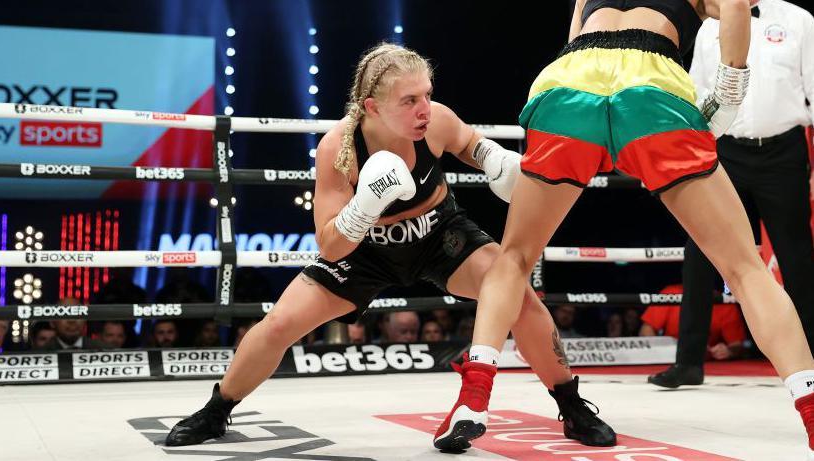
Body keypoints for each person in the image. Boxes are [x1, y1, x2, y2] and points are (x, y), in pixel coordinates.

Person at [166, 42, 614, 447]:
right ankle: (216, 412)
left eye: (427, 94)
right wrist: (364, 205)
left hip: (440, 235)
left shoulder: (436, 121)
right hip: (364, 252)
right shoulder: (338, 149)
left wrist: (494, 159)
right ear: (372, 107)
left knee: (520, 297)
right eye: (410, 100)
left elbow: (469, 143)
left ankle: (572, 407)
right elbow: (330, 245)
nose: (424, 109)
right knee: (280, 323)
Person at [436, 0, 814, 456]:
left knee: (514, 257)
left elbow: (573, 39)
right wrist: (730, 92)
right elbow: (735, 5)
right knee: (745, 270)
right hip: (650, 86)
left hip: (567, 84)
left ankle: (472, 399)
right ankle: (812, 416)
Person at [649, 0, 814, 389]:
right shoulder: (708, 25)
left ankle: (809, 362)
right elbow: (694, 96)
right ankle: (688, 361)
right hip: (725, 150)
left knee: (797, 258)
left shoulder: (798, 20)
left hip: (784, 152)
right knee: (701, 251)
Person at [640, 284, 746, 365]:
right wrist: (661, 352)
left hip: (706, 363)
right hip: (671, 360)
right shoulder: (671, 293)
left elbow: (737, 345)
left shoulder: (723, 303)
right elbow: (646, 330)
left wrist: (728, 351)